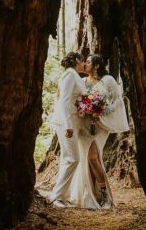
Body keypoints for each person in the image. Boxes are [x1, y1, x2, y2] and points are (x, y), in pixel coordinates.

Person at [69, 54, 129, 209]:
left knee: (93, 158)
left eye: (88, 62)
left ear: (96, 66)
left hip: (101, 126)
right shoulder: (82, 81)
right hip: (85, 125)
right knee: (87, 160)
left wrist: (107, 109)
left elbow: (118, 98)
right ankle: (90, 196)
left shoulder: (108, 80)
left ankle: (104, 194)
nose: (85, 64)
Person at [49, 51, 86, 207]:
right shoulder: (69, 74)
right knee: (73, 159)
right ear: (77, 60)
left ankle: (60, 196)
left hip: (73, 122)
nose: (85, 64)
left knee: (67, 158)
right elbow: (63, 101)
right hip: (66, 123)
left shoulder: (75, 75)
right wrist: (68, 125)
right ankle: (57, 197)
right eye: (83, 60)